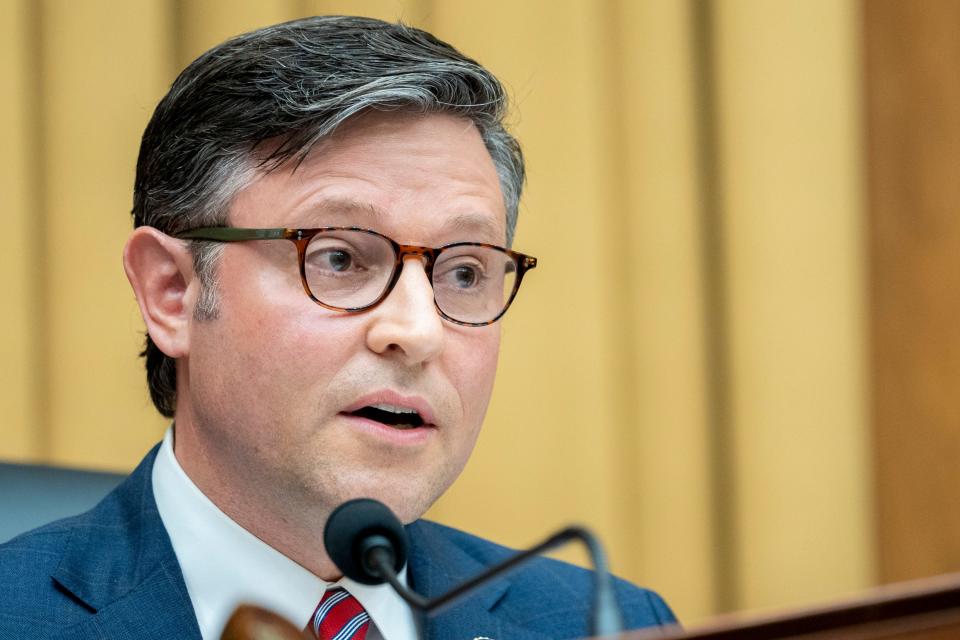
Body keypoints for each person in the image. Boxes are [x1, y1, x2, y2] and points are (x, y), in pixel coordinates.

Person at [0, 16, 675, 640]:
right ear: (172, 292)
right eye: (340, 257)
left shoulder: (607, 624)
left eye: (465, 273)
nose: (418, 331)